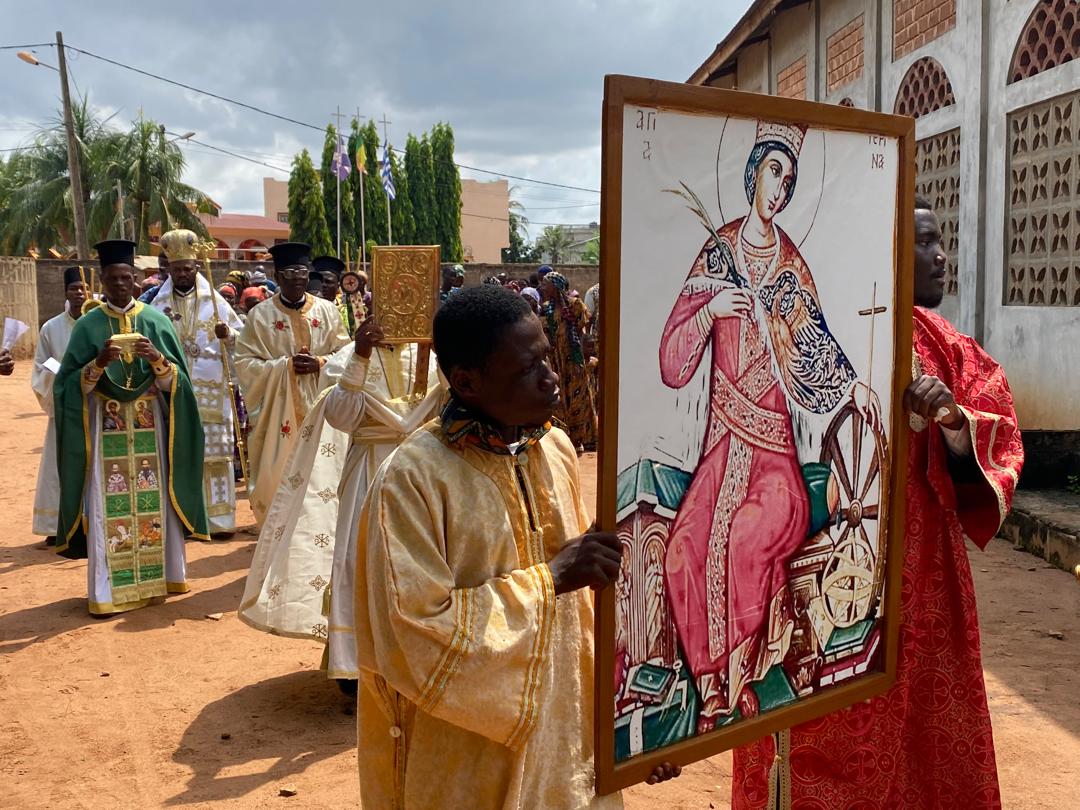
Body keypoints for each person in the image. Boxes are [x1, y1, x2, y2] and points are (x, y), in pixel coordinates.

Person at [730, 197, 1025, 808]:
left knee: (921, 741)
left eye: (940, 240)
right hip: (830, 575)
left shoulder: (944, 346)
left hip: (925, 587)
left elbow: (998, 434)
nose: (940, 256)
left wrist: (953, 421)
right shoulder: (805, 334)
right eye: (924, 242)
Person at [353, 285, 679, 808]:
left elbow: (595, 611)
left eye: (547, 358)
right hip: (472, 756)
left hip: (571, 733)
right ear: (467, 381)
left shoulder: (555, 447)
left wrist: (637, 730)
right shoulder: (412, 479)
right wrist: (550, 580)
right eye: (528, 368)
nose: (551, 378)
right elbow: (412, 631)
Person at [239, 316, 443, 695]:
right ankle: (355, 664)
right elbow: (341, 417)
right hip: (367, 471)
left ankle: (422, 655)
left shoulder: (432, 357)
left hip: (424, 473)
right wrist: (361, 356)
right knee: (357, 559)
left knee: (422, 561)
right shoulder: (349, 355)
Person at [53, 239, 208, 616]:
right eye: (112, 278)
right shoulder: (87, 326)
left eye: (126, 277)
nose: (120, 284)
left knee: (155, 504)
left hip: (149, 427)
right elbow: (67, 386)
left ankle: (163, 577)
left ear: (136, 279)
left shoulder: (156, 321)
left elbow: (179, 385)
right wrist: (97, 364)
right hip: (105, 430)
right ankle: (108, 591)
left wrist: (157, 360)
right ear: (102, 280)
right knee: (106, 507)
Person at [235, 242, 350, 525]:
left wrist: (320, 363)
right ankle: (280, 530)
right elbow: (244, 362)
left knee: (324, 470)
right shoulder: (260, 315)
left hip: (322, 404)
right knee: (280, 472)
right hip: (278, 413)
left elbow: (346, 354)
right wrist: (285, 367)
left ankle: (322, 529)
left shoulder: (327, 311)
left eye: (302, 271)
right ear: (277, 276)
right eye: (290, 272)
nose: (298, 277)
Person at [151, 229, 245, 535]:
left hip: (212, 393)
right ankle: (187, 519)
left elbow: (243, 342)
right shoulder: (156, 307)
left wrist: (228, 335)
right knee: (180, 456)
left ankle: (219, 521)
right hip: (173, 393)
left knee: (216, 456)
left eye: (187, 269)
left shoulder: (216, 304)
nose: (182, 274)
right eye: (177, 269)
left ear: (196, 268)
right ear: (169, 270)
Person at [32, 267, 87, 545]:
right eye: (74, 288)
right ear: (66, 292)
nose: (79, 293)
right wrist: (59, 374)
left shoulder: (96, 322)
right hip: (64, 405)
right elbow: (39, 367)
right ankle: (56, 525)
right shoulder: (51, 328)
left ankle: (90, 522)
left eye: (83, 288)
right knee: (57, 466)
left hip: (93, 405)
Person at [540, 270, 597, 451]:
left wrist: (580, 355)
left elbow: (582, 330)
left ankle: (581, 438)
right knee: (559, 398)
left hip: (572, 357)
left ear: (555, 286)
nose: (542, 287)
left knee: (578, 397)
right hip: (556, 359)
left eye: (546, 284)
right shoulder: (546, 308)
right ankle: (564, 438)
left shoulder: (575, 305)